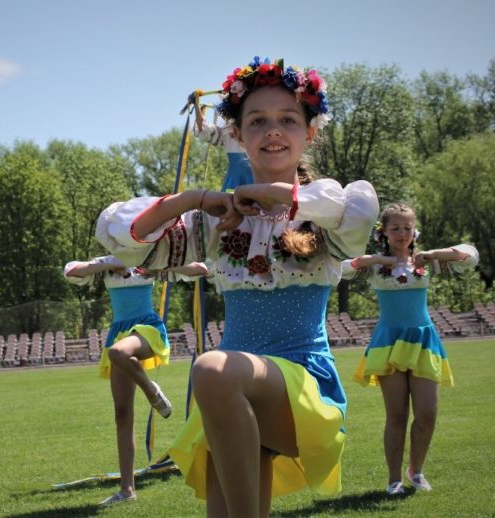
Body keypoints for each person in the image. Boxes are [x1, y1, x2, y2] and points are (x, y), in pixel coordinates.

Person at [95, 56, 379, 517]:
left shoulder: (325, 206)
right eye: (257, 121)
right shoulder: (216, 222)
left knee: (209, 368)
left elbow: (359, 212)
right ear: (238, 135)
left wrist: (279, 196)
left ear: (309, 133)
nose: (272, 130)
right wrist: (195, 199)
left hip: (302, 389)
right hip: (231, 395)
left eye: (288, 120)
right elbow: (127, 238)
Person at [341, 202, 478, 495]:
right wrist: (377, 258)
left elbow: (469, 257)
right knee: (397, 415)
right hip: (388, 343)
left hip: (423, 341)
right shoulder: (377, 265)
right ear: (385, 232)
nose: (402, 233)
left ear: (414, 230)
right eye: (396, 228)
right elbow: (342, 269)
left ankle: (416, 470)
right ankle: (394, 480)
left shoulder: (425, 261)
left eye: (407, 227)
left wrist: (434, 254)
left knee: (427, 413)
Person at [64, 255, 209, 505]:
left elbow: (200, 269)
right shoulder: (106, 262)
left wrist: (161, 266)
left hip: (147, 328)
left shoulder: (150, 255)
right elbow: (71, 271)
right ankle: (127, 490)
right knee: (122, 413)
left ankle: (151, 390)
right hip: (119, 331)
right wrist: (110, 265)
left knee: (118, 353)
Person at [189, 90, 254, 191]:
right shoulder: (226, 132)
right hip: (234, 181)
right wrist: (197, 106)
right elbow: (203, 128)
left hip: (257, 177)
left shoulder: (256, 130)